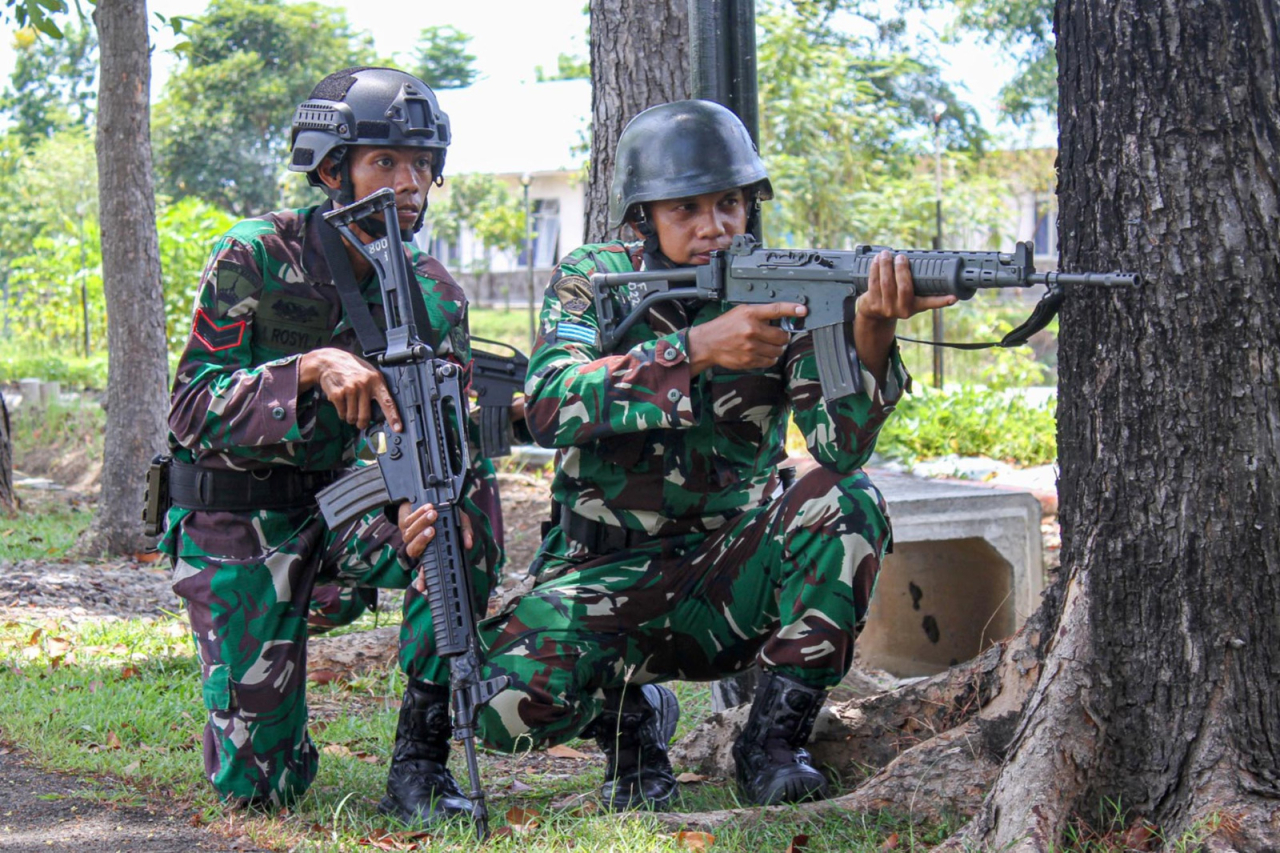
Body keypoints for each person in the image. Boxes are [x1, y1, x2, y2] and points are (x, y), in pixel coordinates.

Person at [402, 98, 956, 809]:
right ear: (644, 217)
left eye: (729, 204)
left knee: (846, 500)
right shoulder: (594, 277)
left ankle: (772, 742)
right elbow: (547, 401)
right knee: (498, 707)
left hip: (729, 574)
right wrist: (692, 350)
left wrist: (870, 331)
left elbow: (838, 446)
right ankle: (633, 725)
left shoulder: (789, 285)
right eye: (686, 209)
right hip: (600, 574)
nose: (714, 227)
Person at [159, 66, 503, 825]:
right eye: (386, 162)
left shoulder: (434, 292)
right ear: (329, 168)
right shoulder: (253, 256)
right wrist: (308, 368)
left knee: (461, 519)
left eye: (421, 163)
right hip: (238, 520)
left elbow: (436, 433)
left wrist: (423, 508)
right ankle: (269, 710)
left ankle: (421, 762)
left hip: (346, 509)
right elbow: (188, 406)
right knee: (262, 785)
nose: (409, 182)